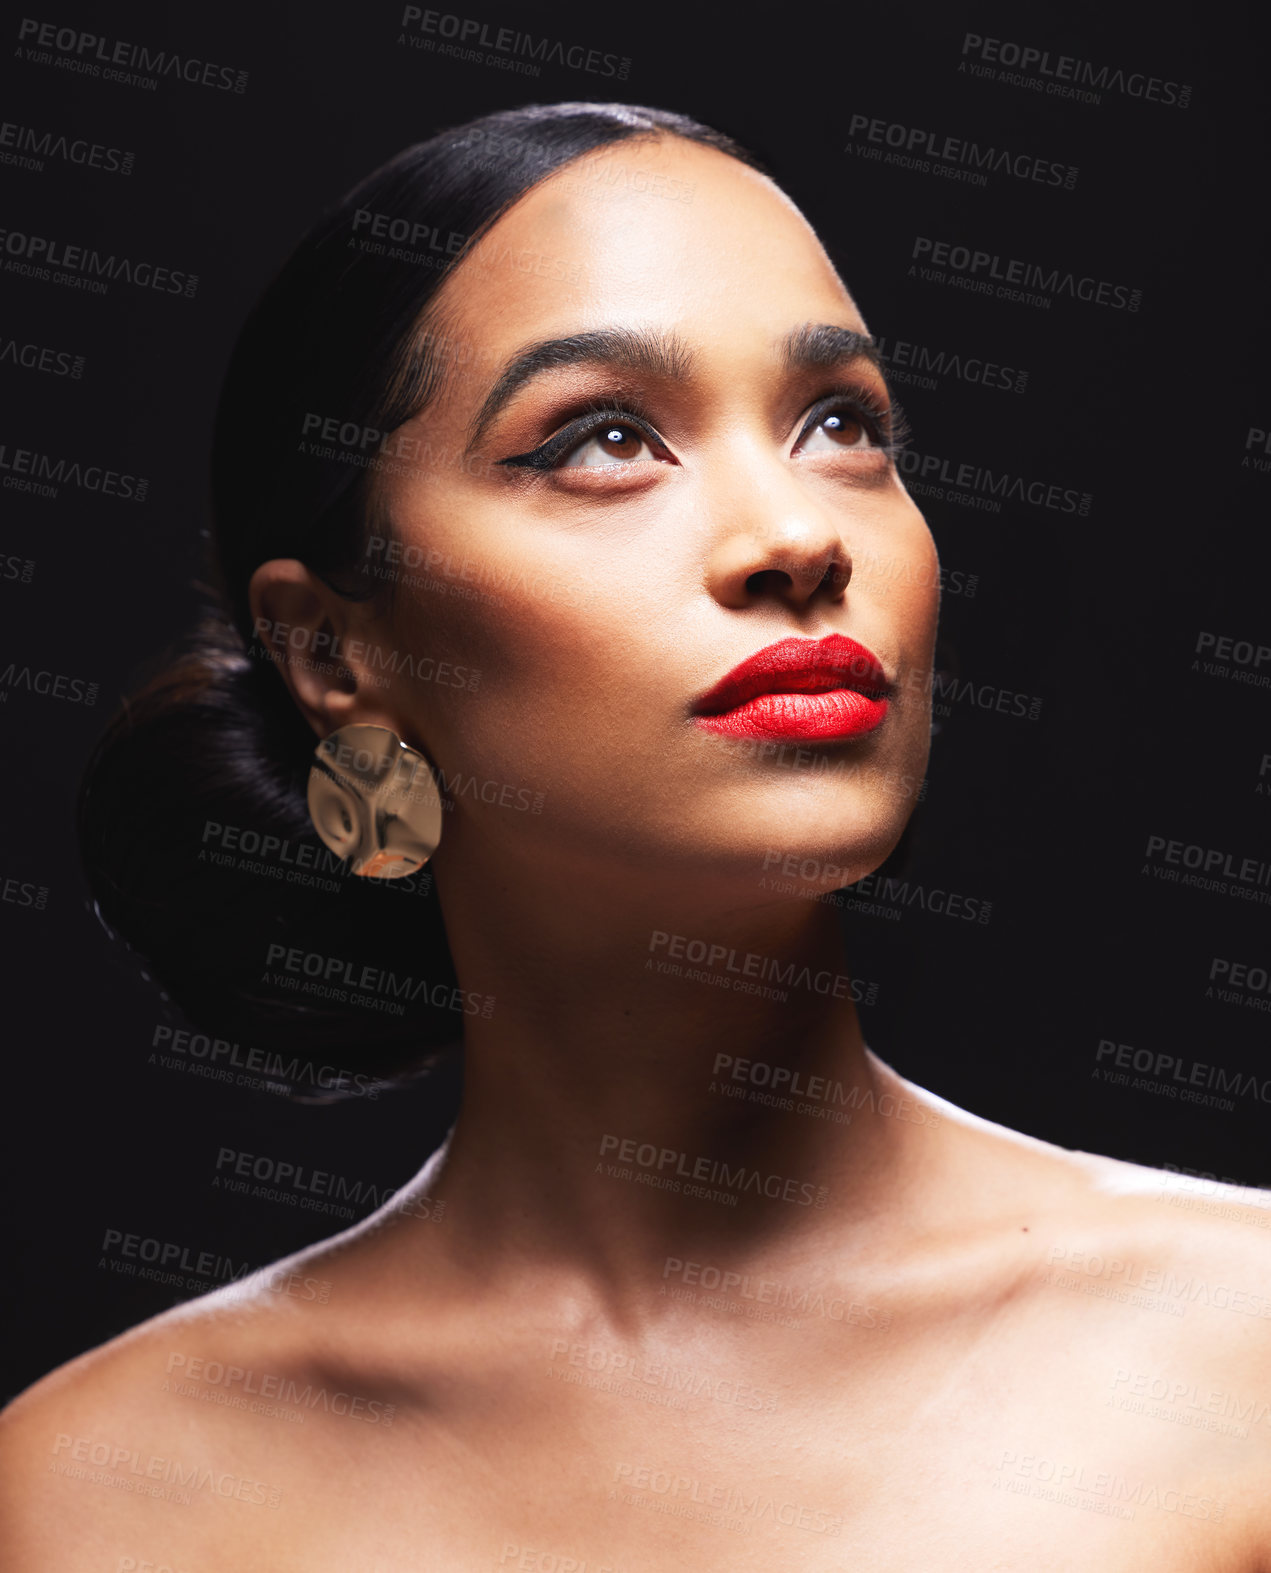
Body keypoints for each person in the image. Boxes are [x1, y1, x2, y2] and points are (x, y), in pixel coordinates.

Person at [3, 100, 1268, 1569]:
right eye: (606, 439)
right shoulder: (89, 1502)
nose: (796, 534)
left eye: (841, 424)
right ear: (331, 652)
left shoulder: (1238, 1358)